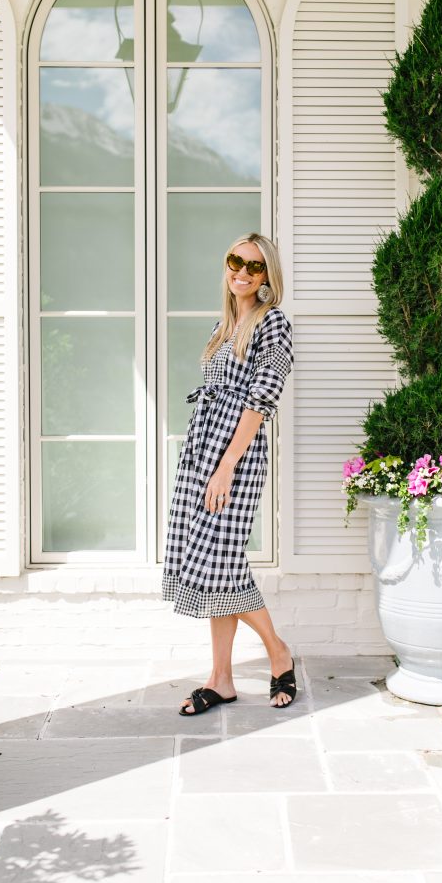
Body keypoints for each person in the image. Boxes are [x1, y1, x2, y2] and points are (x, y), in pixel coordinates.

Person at [162, 232, 297, 714]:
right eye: (235, 260)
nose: (242, 270)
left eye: (254, 266)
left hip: (232, 460)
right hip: (202, 456)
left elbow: (261, 403)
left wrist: (225, 469)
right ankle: (221, 678)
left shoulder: (272, 323)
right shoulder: (223, 328)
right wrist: (203, 464)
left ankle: (277, 652)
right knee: (217, 566)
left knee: (221, 562)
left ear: (267, 277)